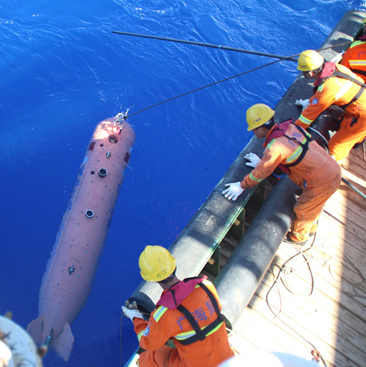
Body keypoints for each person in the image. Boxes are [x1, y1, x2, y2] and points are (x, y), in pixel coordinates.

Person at [222, 103, 341, 245]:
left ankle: (299, 238)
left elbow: (262, 172)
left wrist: (242, 185)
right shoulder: (292, 128)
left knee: (304, 209)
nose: (254, 133)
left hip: (322, 181)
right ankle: (311, 225)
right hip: (330, 167)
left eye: (254, 130)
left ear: (260, 129)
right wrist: (262, 162)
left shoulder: (275, 148)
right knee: (313, 205)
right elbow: (285, 156)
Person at [121, 245, 234, 367]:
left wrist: (136, 318)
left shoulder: (164, 314)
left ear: (151, 279)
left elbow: (148, 343)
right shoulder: (206, 286)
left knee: (148, 357)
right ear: (173, 266)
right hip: (226, 359)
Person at [294, 49, 366, 162]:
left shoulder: (327, 88)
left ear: (310, 73)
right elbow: (322, 96)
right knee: (346, 126)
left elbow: (307, 117)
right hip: (359, 105)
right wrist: (311, 101)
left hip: (361, 116)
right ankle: (359, 138)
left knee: (336, 146)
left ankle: (331, 165)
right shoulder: (338, 68)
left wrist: (292, 130)